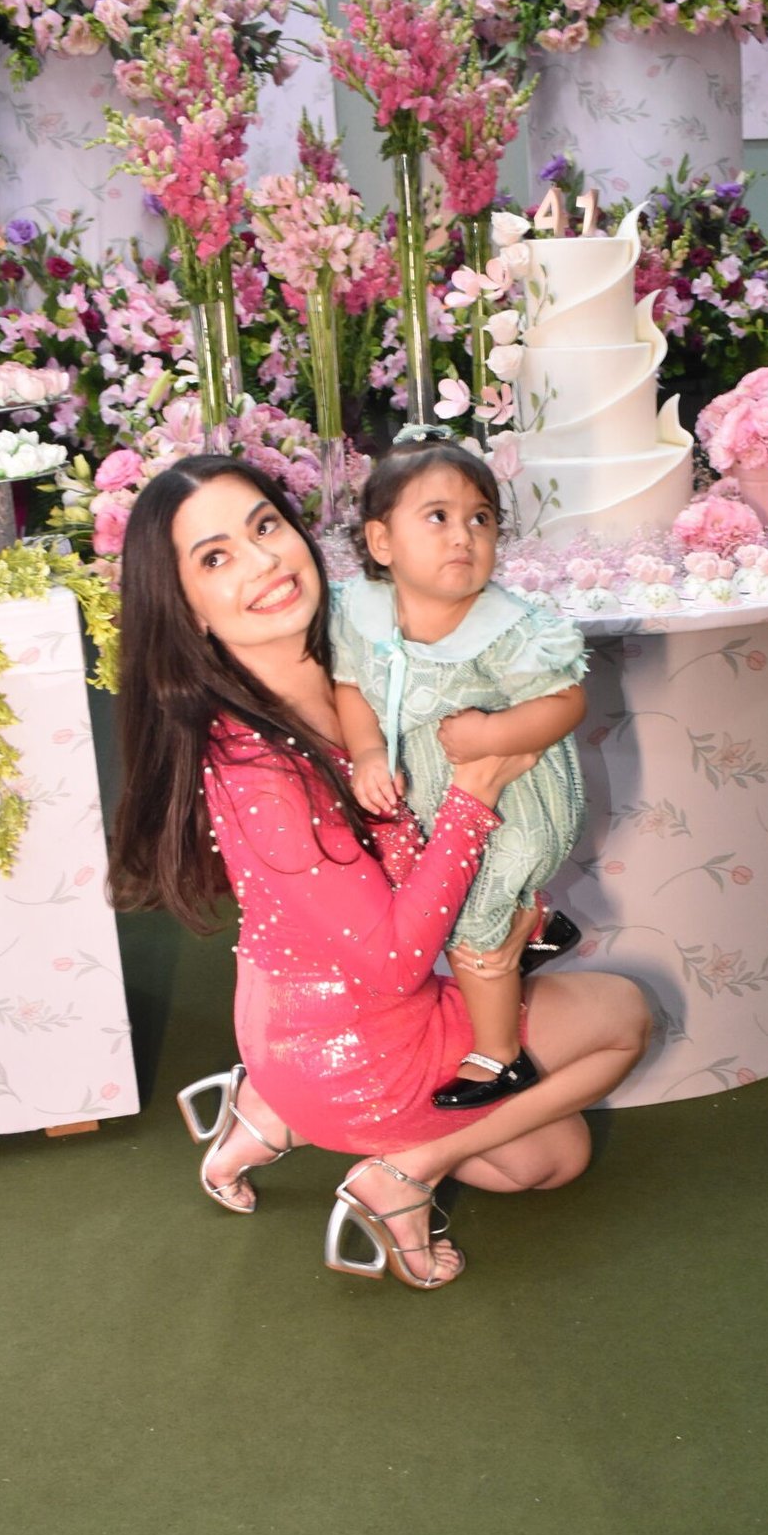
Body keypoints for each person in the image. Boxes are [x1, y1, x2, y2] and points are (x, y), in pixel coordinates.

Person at [107, 454, 650, 1291]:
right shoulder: (253, 766)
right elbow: (395, 959)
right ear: (185, 610)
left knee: (547, 1156)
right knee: (623, 1018)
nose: (264, 561)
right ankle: (400, 1169)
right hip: (353, 1046)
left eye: (265, 527)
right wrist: (474, 792)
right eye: (216, 558)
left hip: (324, 1018)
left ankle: (273, 1114)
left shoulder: (358, 648)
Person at [332, 430, 587, 1111]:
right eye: (438, 517)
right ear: (382, 542)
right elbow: (350, 685)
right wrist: (368, 751)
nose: (463, 536)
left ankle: (500, 1056)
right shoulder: (360, 611)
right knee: (435, 905)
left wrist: (492, 732)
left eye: (481, 519)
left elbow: (566, 701)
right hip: (438, 800)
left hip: (516, 801)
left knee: (473, 919)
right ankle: (536, 925)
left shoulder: (506, 628)